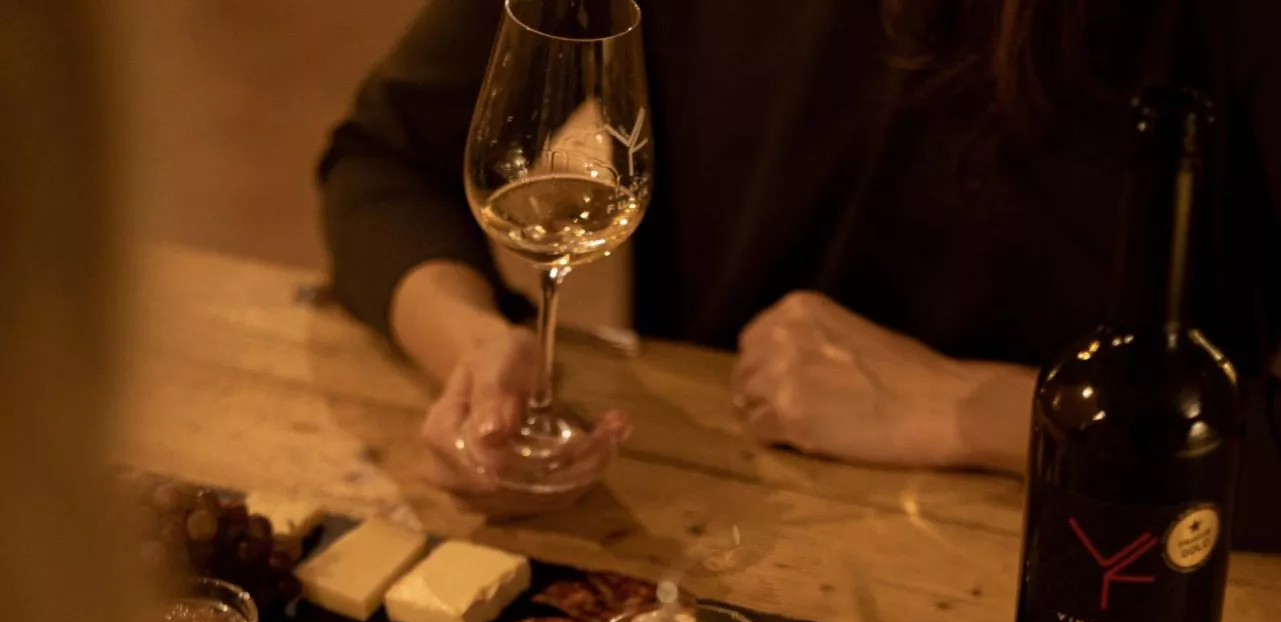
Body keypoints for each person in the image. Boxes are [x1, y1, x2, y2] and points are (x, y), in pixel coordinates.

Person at [318, 0, 1281, 539]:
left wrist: (971, 410)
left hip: (1117, 568)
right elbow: (383, 158)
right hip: (710, 538)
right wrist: (478, 355)